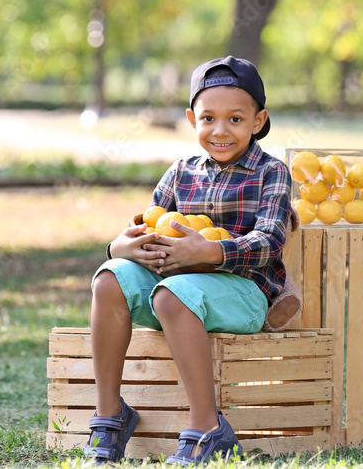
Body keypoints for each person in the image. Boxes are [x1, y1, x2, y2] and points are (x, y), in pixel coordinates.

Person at [84, 56, 292, 464]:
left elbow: (269, 242)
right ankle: (110, 413)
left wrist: (209, 251)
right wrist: (120, 248)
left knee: (170, 296)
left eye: (235, 119)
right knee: (109, 279)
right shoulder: (180, 172)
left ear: (258, 120)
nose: (220, 130)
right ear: (191, 119)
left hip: (245, 294)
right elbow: (147, 225)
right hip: (175, 287)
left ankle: (208, 426)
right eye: (208, 118)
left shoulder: (272, 172)